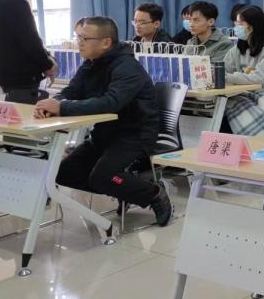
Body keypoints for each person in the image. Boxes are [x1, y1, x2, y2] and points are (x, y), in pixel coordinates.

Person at [36, 17, 172, 227]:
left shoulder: (127, 67)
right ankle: (125, 190)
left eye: (85, 38)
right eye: (78, 37)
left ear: (106, 42)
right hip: (104, 133)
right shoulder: (91, 63)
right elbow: (71, 91)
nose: (79, 43)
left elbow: (111, 102)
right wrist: (53, 104)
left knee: (102, 177)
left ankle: (153, 193)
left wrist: (62, 108)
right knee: (62, 173)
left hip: (135, 135)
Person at [223, 5, 264, 136]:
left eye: (240, 23)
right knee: (222, 107)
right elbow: (224, 69)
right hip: (244, 93)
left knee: (231, 110)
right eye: (236, 23)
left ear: (252, 26)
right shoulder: (238, 48)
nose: (236, 27)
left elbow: (258, 78)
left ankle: (259, 142)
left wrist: (227, 77)